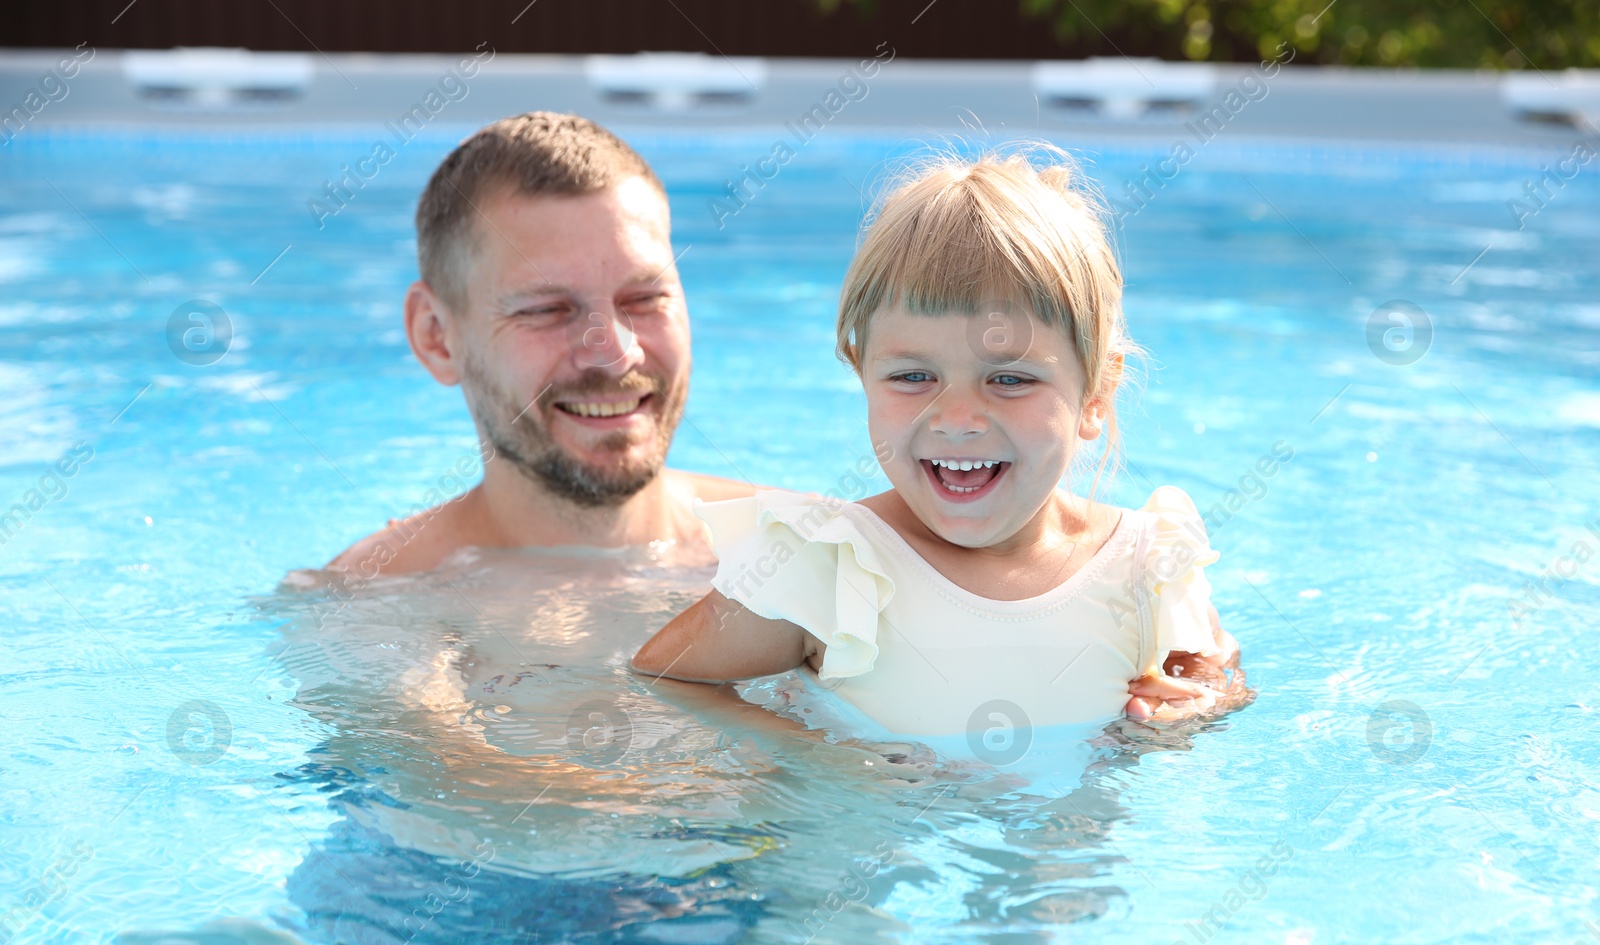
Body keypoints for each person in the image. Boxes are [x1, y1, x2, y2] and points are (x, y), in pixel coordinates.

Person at [632, 149, 1250, 734]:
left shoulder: (1145, 567)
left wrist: (1194, 708)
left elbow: (1214, 682)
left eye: (1009, 379)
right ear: (862, 374)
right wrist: (814, 757)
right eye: (912, 377)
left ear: (1096, 396)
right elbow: (663, 681)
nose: (957, 417)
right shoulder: (832, 566)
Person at [326, 111, 748, 578]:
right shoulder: (374, 602)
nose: (615, 352)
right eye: (546, 309)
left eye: (645, 299)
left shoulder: (810, 549)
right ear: (436, 337)